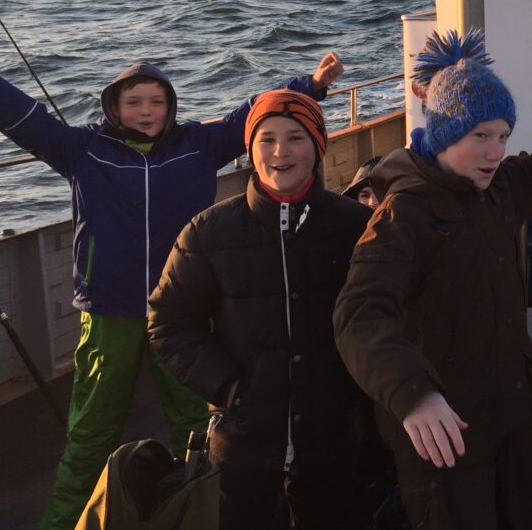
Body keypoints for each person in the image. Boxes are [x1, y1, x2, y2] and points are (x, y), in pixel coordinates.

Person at [0, 15, 341, 530]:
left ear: (171, 107)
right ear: (114, 107)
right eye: (134, 102)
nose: (146, 112)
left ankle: (206, 512)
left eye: (156, 102)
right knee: (92, 433)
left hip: (186, 316)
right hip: (108, 312)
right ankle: (66, 521)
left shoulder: (199, 146)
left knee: (200, 422)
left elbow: (252, 113)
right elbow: (19, 115)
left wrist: (311, 86)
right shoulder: (82, 151)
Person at [333, 28, 532, 530]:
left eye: (502, 136)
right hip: (446, 431)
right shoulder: (405, 211)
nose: (495, 150)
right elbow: (359, 314)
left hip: (510, 416)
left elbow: (531, 173)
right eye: (479, 136)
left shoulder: (494, 188)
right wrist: (412, 393)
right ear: (443, 134)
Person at [148, 90, 391, 529]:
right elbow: (168, 322)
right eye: (267, 139)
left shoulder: (355, 227)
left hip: (337, 441)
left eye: (296, 137)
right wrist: (225, 387)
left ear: (319, 146)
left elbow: (387, 315)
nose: (280, 152)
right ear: (249, 148)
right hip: (243, 448)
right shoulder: (208, 232)